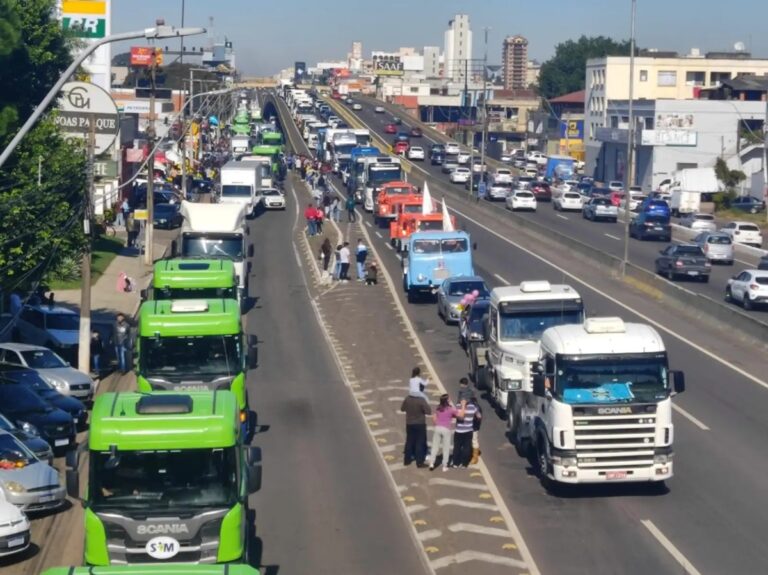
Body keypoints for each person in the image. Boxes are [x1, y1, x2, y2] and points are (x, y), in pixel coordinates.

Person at [428, 394, 464, 472]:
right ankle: (444, 466)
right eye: (449, 399)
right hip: (446, 429)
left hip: (437, 428)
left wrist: (437, 424)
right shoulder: (450, 409)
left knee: (435, 446)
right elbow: (460, 415)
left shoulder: (438, 408)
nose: (450, 399)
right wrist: (463, 406)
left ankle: (431, 463)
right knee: (446, 448)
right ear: (447, 400)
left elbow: (434, 417)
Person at [401, 390, 431, 467]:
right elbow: (428, 411)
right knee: (419, 443)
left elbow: (402, 409)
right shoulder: (421, 400)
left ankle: (407, 460)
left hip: (409, 423)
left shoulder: (407, 399)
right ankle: (419, 462)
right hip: (420, 424)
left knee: (409, 441)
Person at [453, 394, 479, 468]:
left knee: (457, 447)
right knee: (466, 448)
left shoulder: (458, 406)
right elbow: (478, 415)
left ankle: (456, 463)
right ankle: (464, 463)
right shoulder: (473, 407)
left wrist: (463, 407)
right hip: (468, 431)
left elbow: (460, 416)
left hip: (459, 431)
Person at [470, 396, 483, 465]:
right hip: (474, 427)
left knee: (474, 441)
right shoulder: (477, 407)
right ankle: (472, 454)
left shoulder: (476, 408)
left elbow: (479, 417)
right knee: (472, 441)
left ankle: (475, 458)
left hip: (474, 427)